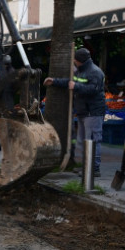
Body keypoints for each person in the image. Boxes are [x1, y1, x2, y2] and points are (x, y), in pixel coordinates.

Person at [43, 47, 106, 176]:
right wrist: (54, 81)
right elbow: (70, 82)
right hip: (83, 112)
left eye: (75, 60)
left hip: (92, 112)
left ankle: (94, 168)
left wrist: (76, 86)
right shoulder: (80, 71)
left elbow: (93, 89)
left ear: (79, 61)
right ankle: (86, 166)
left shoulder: (95, 72)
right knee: (84, 141)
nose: (74, 62)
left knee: (93, 140)